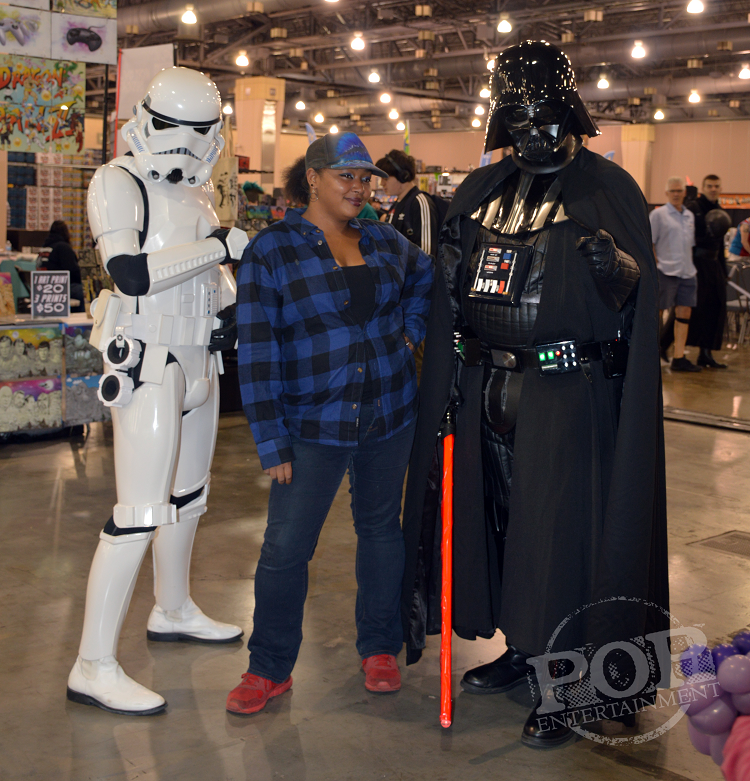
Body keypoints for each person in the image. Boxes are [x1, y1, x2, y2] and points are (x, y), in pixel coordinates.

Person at [401, 40, 669, 749]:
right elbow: (450, 302)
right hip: (486, 386)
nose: (535, 134)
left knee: (563, 537)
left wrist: (616, 269)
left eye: (547, 117)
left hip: (567, 393)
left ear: (572, 112)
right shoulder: (480, 191)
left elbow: (639, 309)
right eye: (518, 120)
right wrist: (449, 273)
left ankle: (574, 684)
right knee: (504, 529)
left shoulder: (607, 188)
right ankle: (523, 648)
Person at [227, 132, 433, 715]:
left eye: (366, 178)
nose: (359, 187)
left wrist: (410, 332)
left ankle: (380, 647)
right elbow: (258, 349)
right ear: (312, 178)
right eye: (347, 176)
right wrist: (271, 439)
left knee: (381, 530)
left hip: (389, 412)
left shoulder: (385, 239)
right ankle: (268, 667)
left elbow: (425, 279)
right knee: (285, 548)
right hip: (311, 423)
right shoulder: (273, 250)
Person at [67, 67, 248, 717]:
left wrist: (231, 298)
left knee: (189, 498)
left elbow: (213, 279)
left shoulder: (198, 193)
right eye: (175, 127)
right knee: (138, 512)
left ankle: (172, 608)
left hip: (200, 358)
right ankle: (92, 663)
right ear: (146, 119)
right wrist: (218, 249)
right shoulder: (117, 181)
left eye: (201, 130)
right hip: (149, 360)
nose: (188, 143)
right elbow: (131, 274)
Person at [650, 177, 699, 372]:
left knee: (684, 313)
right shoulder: (658, 215)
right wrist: (656, 265)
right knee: (658, 313)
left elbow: (690, 245)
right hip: (665, 271)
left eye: (679, 190)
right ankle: (652, 355)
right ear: (667, 193)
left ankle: (678, 357)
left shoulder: (689, 216)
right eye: (673, 191)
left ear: (685, 193)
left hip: (687, 272)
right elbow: (650, 243)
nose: (676, 194)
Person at [686, 175, 729, 368]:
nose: (713, 189)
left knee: (716, 307)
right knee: (690, 308)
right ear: (703, 188)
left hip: (714, 265)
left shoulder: (719, 210)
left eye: (716, 186)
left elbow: (720, 244)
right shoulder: (693, 208)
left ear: (720, 189)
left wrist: (723, 270)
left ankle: (705, 353)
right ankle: (666, 346)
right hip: (696, 263)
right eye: (710, 186)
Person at [375, 149, 438, 257]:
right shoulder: (398, 203)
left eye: (385, 178)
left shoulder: (420, 203)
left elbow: (427, 254)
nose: (382, 183)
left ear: (403, 176)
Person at [39, 220, 85, 313]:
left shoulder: (44, 247)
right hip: (61, 286)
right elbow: (73, 270)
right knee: (85, 291)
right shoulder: (63, 247)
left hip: (44, 287)